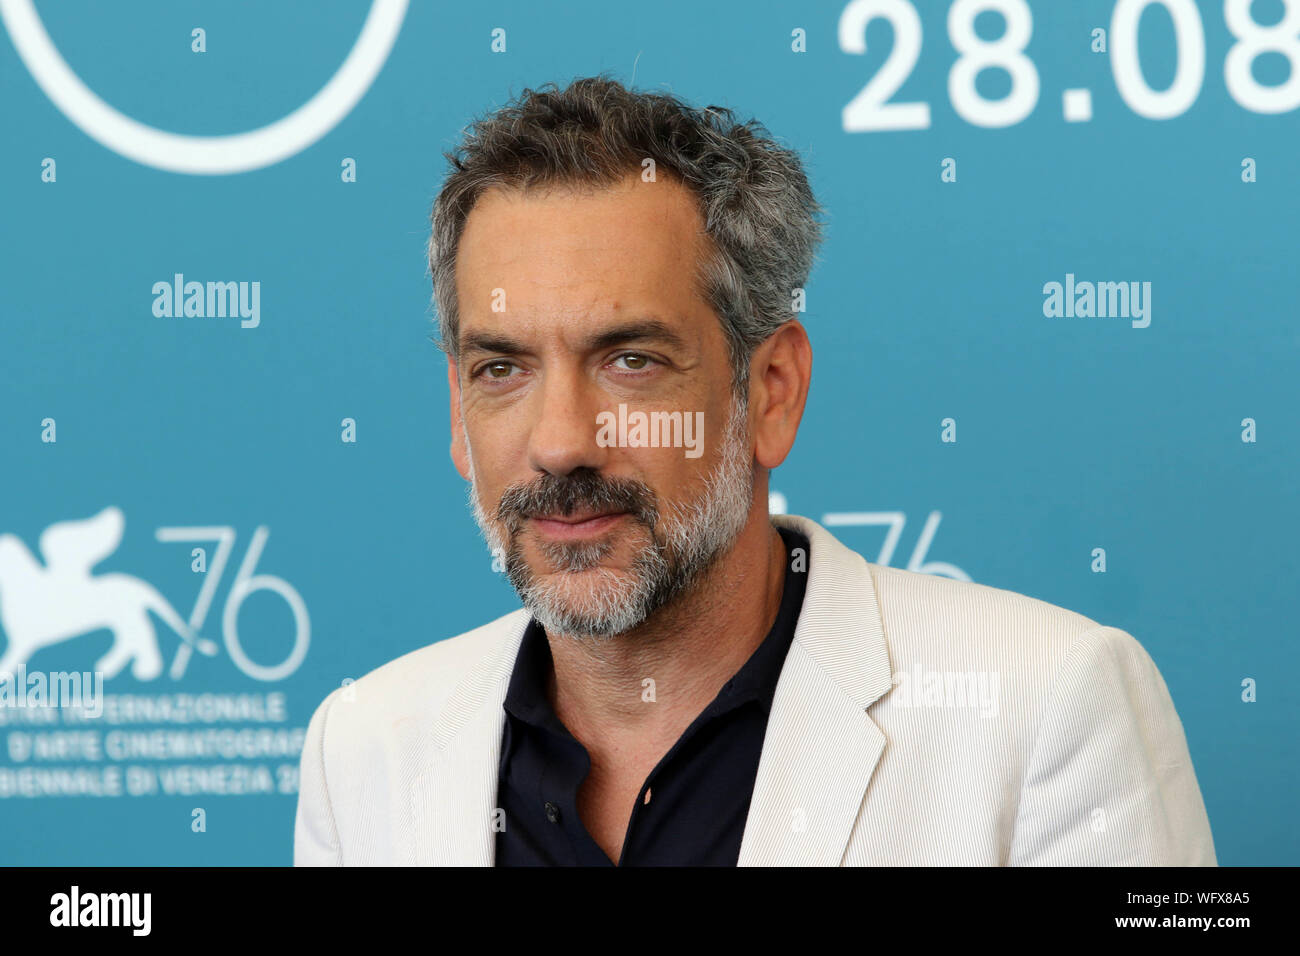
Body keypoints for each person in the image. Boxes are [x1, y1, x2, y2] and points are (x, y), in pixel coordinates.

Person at [294, 75, 1215, 866]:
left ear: (770, 391)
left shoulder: (1045, 706)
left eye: (630, 361)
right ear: (458, 412)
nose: (561, 441)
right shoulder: (367, 747)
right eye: (503, 369)